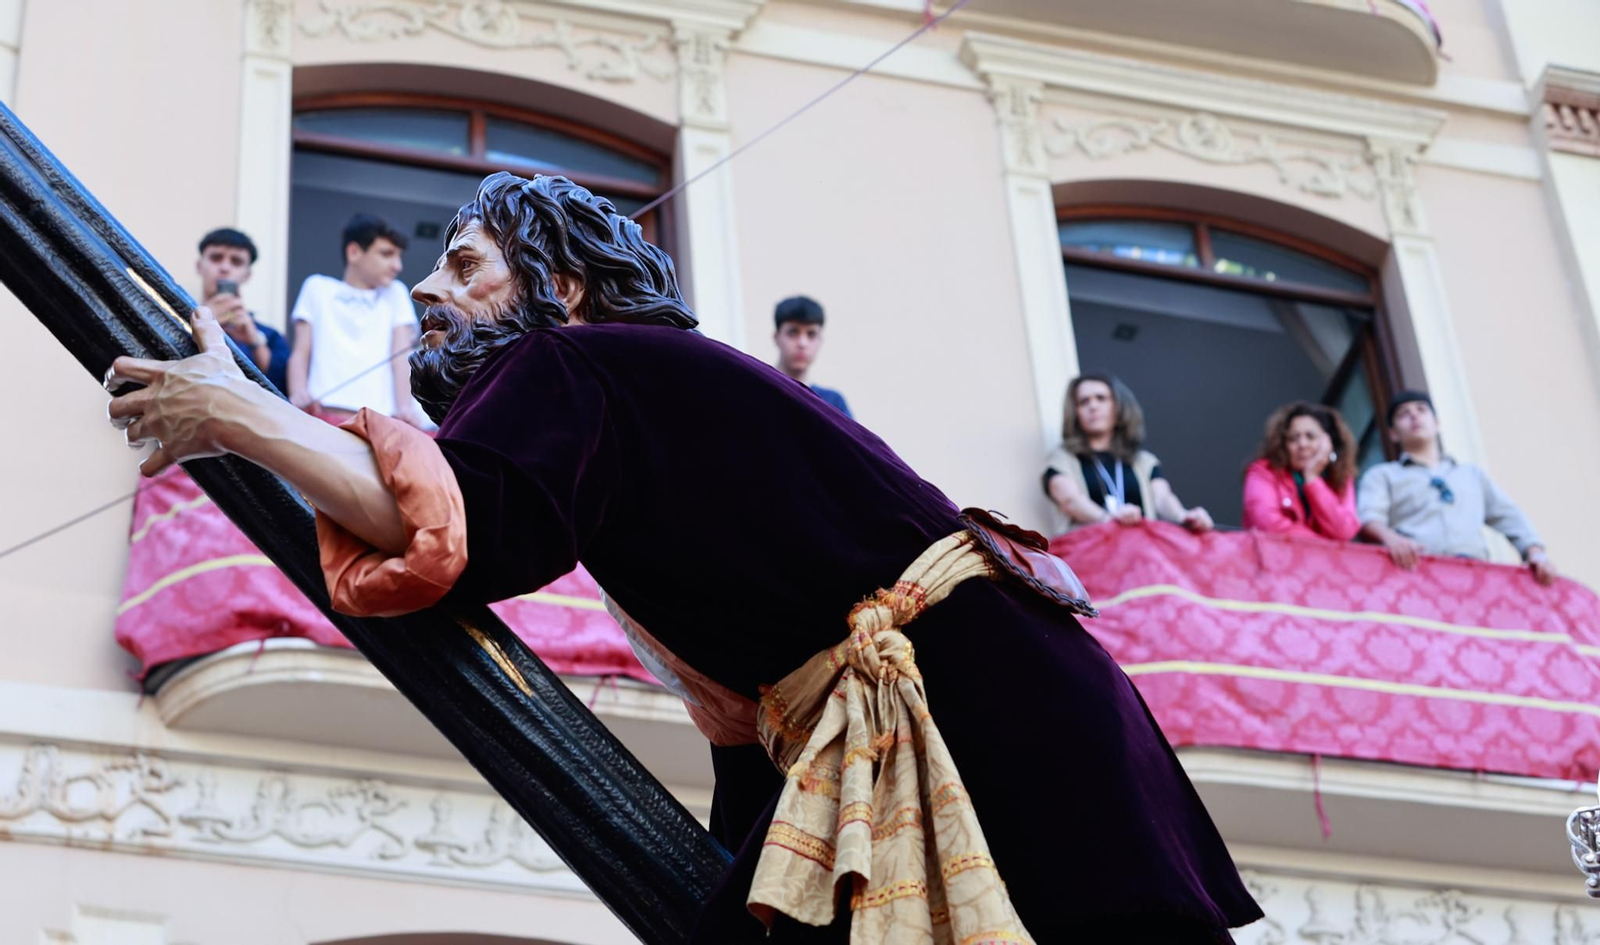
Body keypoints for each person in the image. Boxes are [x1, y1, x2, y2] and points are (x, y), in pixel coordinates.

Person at [106, 172, 1261, 943]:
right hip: (1001, 695)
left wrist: (241, 413)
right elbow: (748, 729)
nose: (427, 292)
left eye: (464, 266)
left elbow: (449, 528)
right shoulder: (638, 405)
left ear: (557, 290)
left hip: (977, 705)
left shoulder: (575, 365)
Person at [1357, 390, 1556, 585]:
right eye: (1403, 414)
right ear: (1393, 433)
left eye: (1421, 410)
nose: (1414, 416)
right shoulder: (1382, 475)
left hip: (1477, 576)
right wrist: (1392, 540)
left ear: (1436, 423)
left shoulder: (1471, 475)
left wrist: (1535, 552)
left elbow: (1509, 516)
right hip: (1416, 576)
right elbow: (1369, 518)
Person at [286, 213, 426, 427]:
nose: (398, 266)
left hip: (378, 421)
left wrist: (404, 408)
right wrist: (297, 393)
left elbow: (401, 358)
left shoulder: (396, 293)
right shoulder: (316, 288)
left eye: (399, 256)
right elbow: (301, 352)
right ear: (354, 252)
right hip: (320, 415)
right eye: (387, 254)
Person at [1043, 374, 1214, 533]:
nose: (1093, 406)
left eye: (1101, 398)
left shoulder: (1144, 461)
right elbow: (1070, 501)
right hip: (1089, 557)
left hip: (1141, 554)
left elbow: (1162, 498)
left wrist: (1183, 516)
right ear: (1075, 413)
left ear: (1119, 408)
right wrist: (1108, 519)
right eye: (1083, 401)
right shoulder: (1062, 460)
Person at [1241, 401, 1360, 541]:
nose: (1302, 444)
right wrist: (1322, 548)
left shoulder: (1341, 477)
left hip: (1324, 562)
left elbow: (1344, 531)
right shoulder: (1263, 472)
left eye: (1310, 436)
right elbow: (1266, 523)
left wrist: (1312, 479)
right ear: (1283, 445)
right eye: (1293, 438)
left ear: (1328, 442)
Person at [195, 227, 288, 393]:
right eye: (216, 258)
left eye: (236, 262)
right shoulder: (174, 319)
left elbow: (281, 392)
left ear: (247, 275)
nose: (225, 267)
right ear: (199, 266)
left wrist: (255, 342)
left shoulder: (271, 337)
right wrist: (204, 321)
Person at [772, 295, 852, 418]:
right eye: (793, 332)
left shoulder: (834, 403)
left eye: (811, 334)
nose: (802, 343)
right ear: (777, 338)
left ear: (820, 341)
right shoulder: (759, 392)